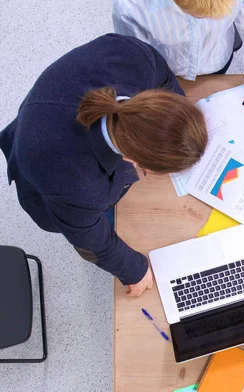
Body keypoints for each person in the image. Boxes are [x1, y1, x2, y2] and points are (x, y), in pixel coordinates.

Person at [0, 34, 208, 297]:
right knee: (102, 219)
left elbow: (165, 79)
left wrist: (173, 127)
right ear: (134, 162)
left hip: (47, 114)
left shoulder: (133, 58)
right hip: (40, 162)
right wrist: (135, 270)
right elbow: (91, 240)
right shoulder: (77, 186)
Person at [113, 0, 244, 115]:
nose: (206, 21)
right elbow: (138, 57)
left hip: (216, 57)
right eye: (198, 16)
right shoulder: (131, 6)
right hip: (168, 67)